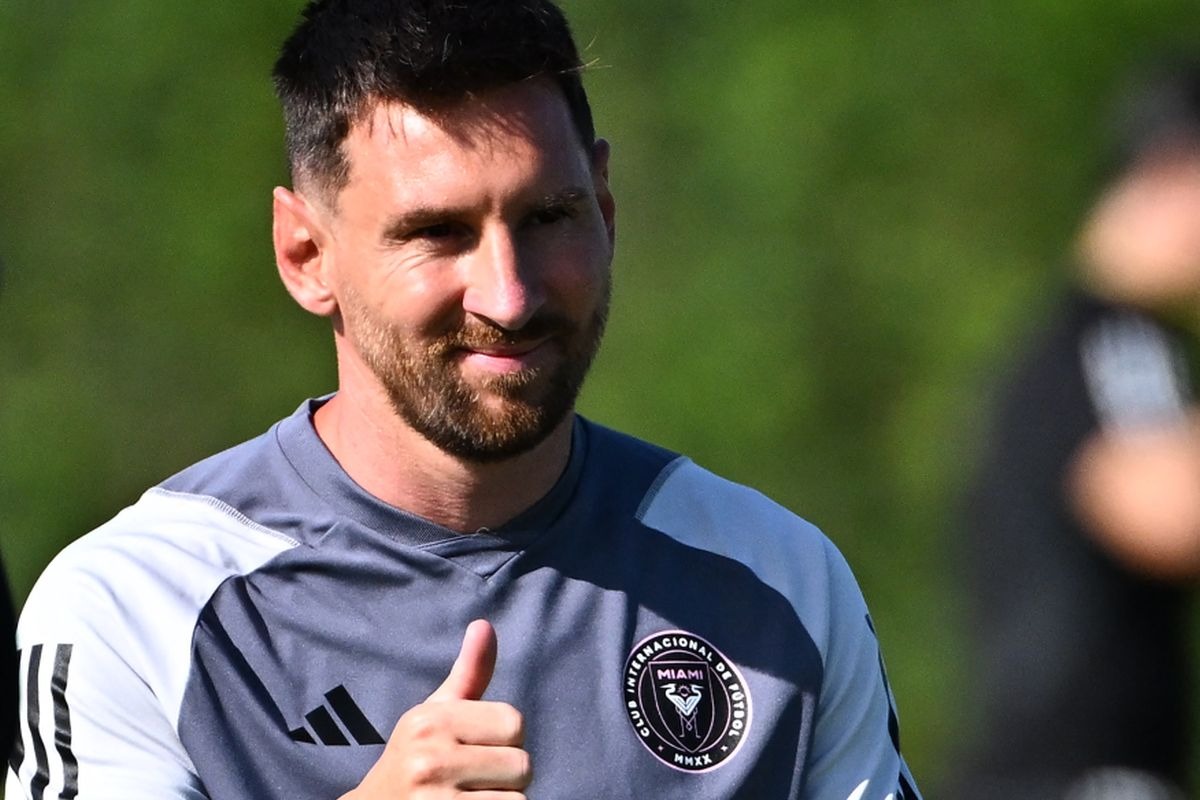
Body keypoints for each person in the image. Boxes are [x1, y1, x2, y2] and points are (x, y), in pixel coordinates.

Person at [6, 2, 920, 798]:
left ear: (603, 207)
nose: (509, 296)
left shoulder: (778, 583)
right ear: (306, 255)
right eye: (436, 233)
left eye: (547, 217)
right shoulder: (137, 609)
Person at [953, 61, 1200, 800]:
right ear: (1174, 171)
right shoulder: (1116, 342)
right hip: (1080, 775)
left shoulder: (1069, 343)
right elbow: (1169, 512)